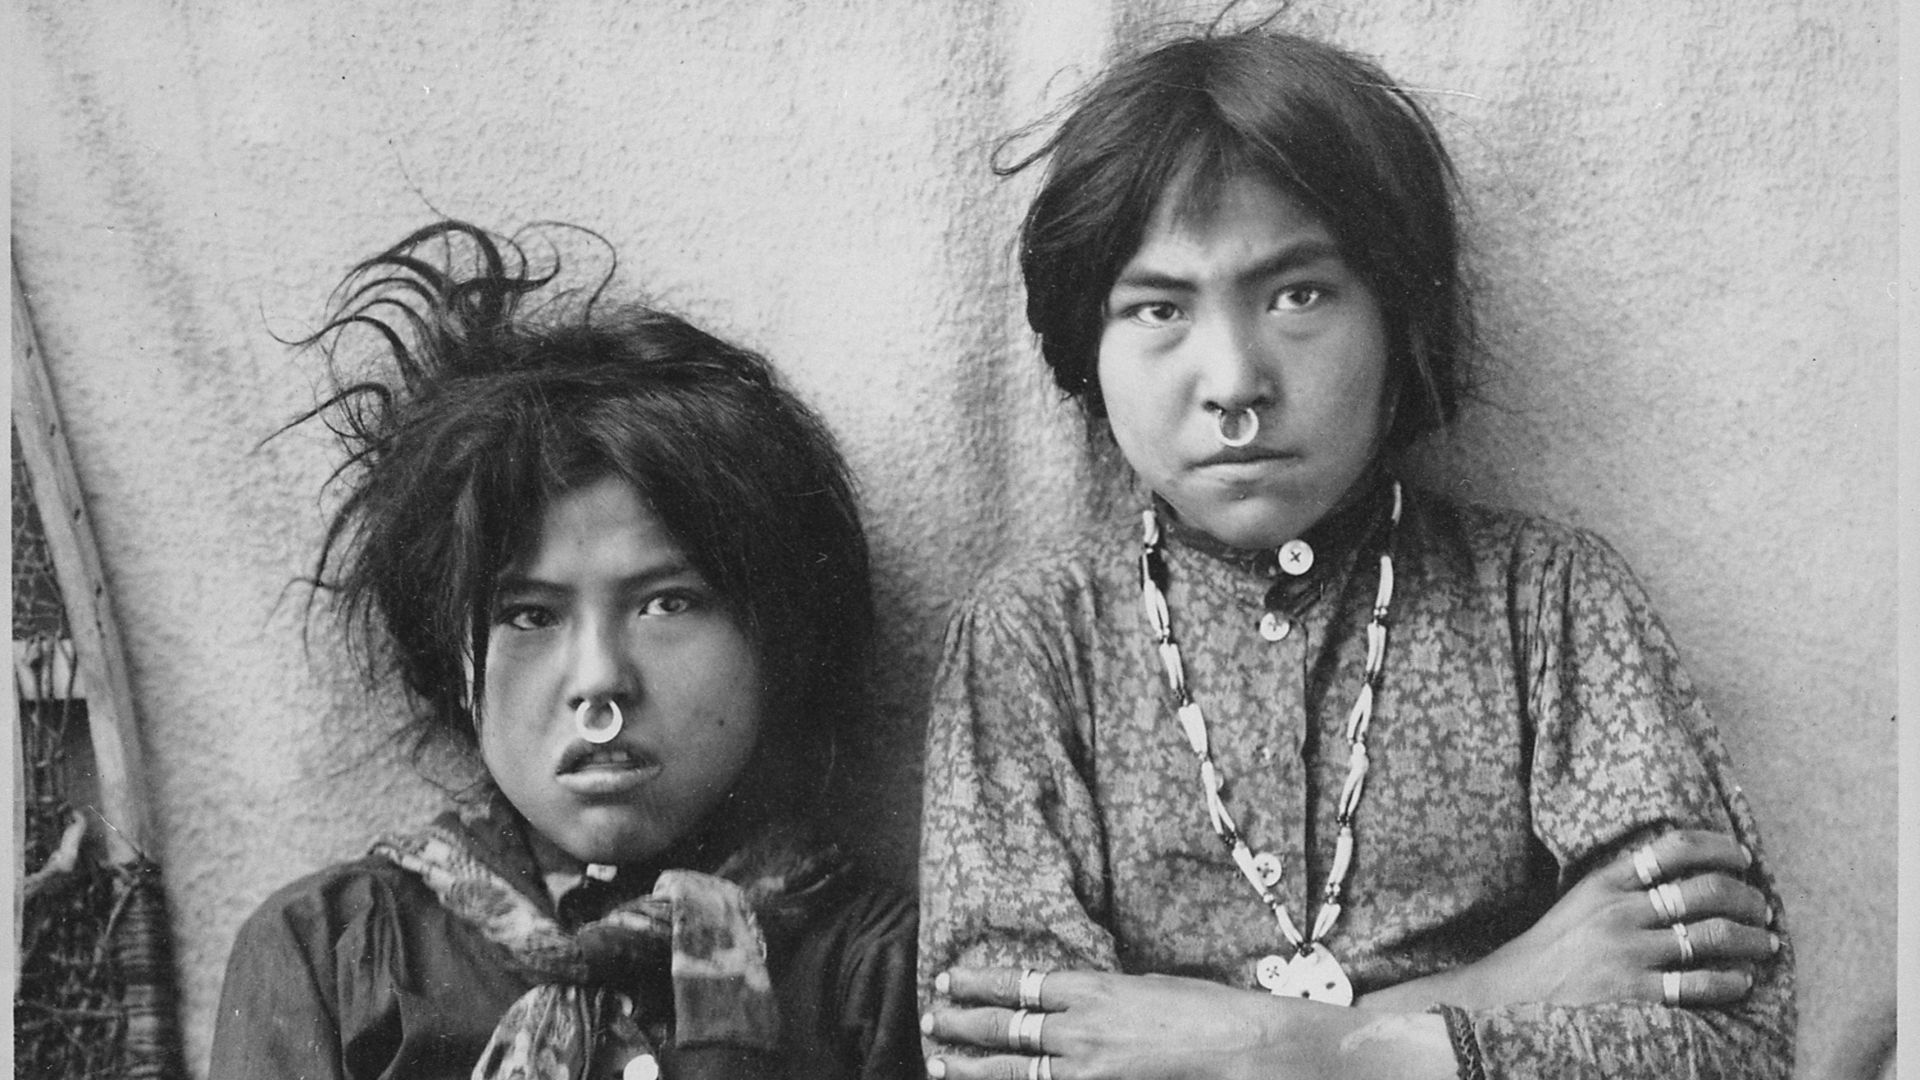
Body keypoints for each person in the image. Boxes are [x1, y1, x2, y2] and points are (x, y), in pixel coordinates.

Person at [917, 29, 1793, 1079]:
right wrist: (1497, 993)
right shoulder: (1035, 639)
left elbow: (1729, 1040)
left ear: (1401, 318)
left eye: (1299, 295)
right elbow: (1002, 1059)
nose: (1234, 381)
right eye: (1158, 308)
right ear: (1086, 347)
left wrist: (1266, 1047)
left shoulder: (1547, 601)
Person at [211, 221, 921, 1080]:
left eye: (668, 603)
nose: (599, 683)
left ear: (777, 639)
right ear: (452, 660)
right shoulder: (332, 958)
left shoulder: (875, 977)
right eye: (530, 616)